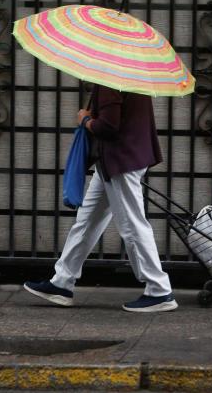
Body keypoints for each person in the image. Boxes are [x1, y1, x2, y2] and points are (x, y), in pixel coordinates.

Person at [23, 84, 177, 312]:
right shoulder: (129, 73)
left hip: (119, 161)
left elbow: (108, 127)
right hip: (119, 160)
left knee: (132, 226)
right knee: (87, 222)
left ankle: (159, 290)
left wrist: (85, 120)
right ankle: (62, 283)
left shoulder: (110, 81)